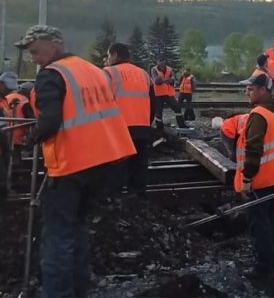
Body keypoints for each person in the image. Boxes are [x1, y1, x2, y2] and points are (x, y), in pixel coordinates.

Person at [16, 25, 136, 298]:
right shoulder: (92, 70)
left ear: (54, 45)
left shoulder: (51, 75)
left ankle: (57, 293)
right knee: (79, 226)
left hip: (71, 163)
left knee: (57, 234)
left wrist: (31, 138)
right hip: (104, 160)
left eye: (36, 51)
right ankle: (80, 288)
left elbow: (49, 121)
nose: (34, 58)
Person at [235, 72, 274, 279]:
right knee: (269, 220)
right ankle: (270, 258)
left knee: (259, 224)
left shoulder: (259, 115)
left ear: (263, 90)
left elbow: (253, 152)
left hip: (259, 179)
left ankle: (262, 268)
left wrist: (247, 180)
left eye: (250, 89)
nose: (246, 93)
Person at [104, 43, 156, 196]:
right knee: (139, 164)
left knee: (116, 167)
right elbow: (153, 102)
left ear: (114, 54)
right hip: (142, 127)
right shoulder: (144, 74)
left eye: (108, 55)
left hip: (118, 127)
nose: (107, 59)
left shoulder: (108, 73)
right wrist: (147, 122)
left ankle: (114, 200)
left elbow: (99, 102)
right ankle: (137, 198)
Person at [1, 72, 33, 174]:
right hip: (11, 139)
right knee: (13, 166)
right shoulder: (24, 101)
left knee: (8, 167)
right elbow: (31, 120)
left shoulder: (6, 98)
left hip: (8, 139)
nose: (9, 90)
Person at [151, 57, 188, 133]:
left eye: (163, 60)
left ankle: (182, 125)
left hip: (169, 93)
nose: (162, 62)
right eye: (160, 61)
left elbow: (173, 80)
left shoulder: (169, 69)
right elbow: (157, 81)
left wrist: (163, 80)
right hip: (158, 94)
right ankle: (159, 129)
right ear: (157, 62)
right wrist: (167, 80)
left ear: (165, 61)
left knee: (177, 107)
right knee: (158, 112)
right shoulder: (154, 69)